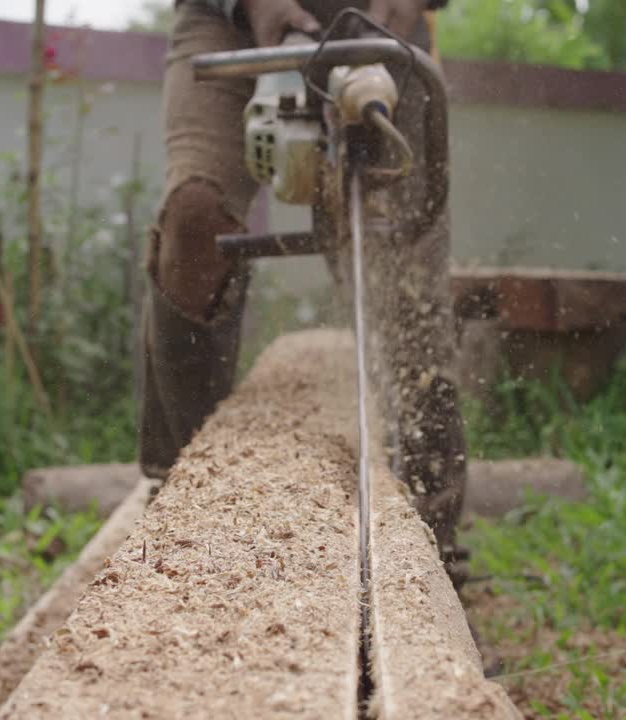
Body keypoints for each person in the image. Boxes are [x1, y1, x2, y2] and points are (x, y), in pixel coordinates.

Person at [136, 0, 470, 584]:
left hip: (380, 21)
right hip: (231, 21)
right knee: (193, 221)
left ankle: (435, 544)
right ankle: (179, 494)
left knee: (405, 279)